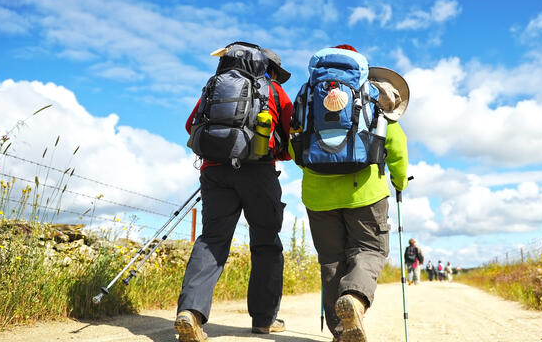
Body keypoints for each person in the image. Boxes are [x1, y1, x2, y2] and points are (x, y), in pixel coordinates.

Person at [174, 44, 293, 342]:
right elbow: (290, 138)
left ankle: (190, 312)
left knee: (212, 240)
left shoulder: (215, 87)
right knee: (266, 242)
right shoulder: (274, 91)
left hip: (214, 171)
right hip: (258, 172)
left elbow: (191, 126)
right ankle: (265, 321)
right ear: (270, 69)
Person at [292, 45, 409, 342]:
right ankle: (355, 298)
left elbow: (296, 144)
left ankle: (340, 332)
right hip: (366, 193)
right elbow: (395, 146)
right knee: (370, 249)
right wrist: (399, 181)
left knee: (331, 260)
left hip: (318, 195)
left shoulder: (308, 97)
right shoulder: (373, 99)